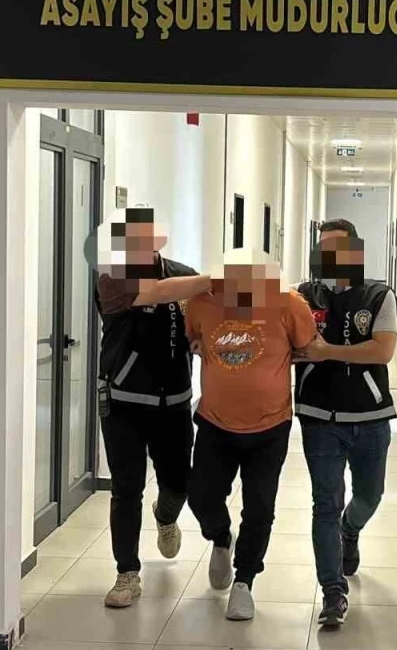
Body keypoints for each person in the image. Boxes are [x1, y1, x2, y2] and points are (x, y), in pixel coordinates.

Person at [184, 250, 317, 621]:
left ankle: (244, 581)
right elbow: (194, 338)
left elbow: (307, 346)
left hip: (270, 425)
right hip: (215, 421)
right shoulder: (201, 304)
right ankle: (221, 538)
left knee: (259, 507)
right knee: (201, 497)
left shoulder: (289, 304)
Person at [91, 207, 212, 608]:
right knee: (127, 489)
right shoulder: (113, 275)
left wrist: (199, 339)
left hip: (173, 403)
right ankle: (127, 573)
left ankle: (166, 516)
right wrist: (215, 279)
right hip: (123, 402)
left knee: (178, 482)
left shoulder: (182, 273)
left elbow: (199, 320)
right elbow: (157, 293)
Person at [293, 219, 397, 627]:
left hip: (370, 416)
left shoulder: (378, 295)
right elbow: (285, 339)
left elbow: (382, 351)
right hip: (319, 417)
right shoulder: (303, 295)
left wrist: (327, 351)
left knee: (369, 497)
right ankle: (333, 592)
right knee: (325, 503)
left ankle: (350, 530)